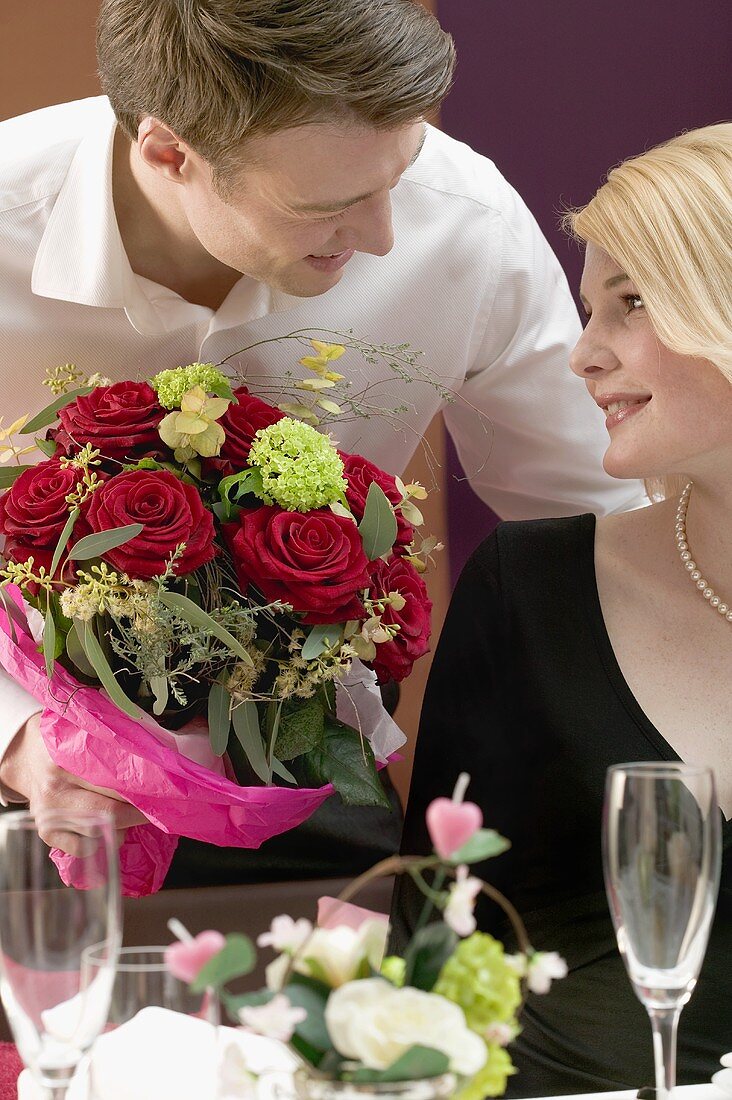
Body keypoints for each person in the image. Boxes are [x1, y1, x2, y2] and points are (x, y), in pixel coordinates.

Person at [0, 0, 643, 878]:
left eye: (400, 175)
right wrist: (20, 741)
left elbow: (602, 518)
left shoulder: (465, 224)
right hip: (23, 791)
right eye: (330, 205)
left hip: (311, 778)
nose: (385, 237)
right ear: (167, 151)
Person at [394, 122, 732, 1093]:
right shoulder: (530, 588)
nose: (583, 356)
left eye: (631, 302)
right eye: (588, 309)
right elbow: (431, 967)